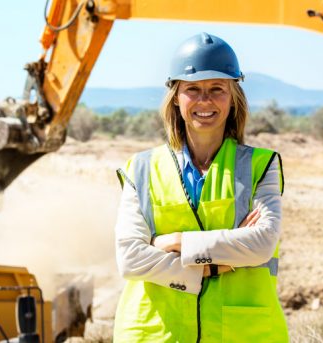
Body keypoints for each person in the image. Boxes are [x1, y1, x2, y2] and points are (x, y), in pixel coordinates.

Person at [113, 32, 288, 342]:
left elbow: (261, 244)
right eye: (192, 89)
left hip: (241, 333)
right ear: (176, 97)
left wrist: (176, 241)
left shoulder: (262, 166)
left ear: (233, 97)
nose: (204, 100)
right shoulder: (140, 169)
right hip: (154, 333)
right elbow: (130, 257)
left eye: (217, 89)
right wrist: (209, 267)